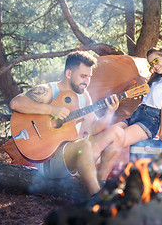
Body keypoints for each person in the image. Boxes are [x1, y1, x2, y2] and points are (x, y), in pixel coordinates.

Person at [9, 51, 122, 196]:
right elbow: (16, 103)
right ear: (68, 73)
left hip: (72, 155)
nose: (87, 81)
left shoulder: (84, 95)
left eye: (89, 77)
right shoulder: (49, 90)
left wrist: (110, 112)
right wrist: (51, 109)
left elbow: (93, 127)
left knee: (116, 133)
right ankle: (97, 198)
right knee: (84, 144)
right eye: (83, 76)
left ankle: (98, 184)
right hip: (48, 160)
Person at [106, 46, 162, 159]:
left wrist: (161, 134)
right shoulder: (156, 78)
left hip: (149, 121)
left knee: (116, 141)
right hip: (136, 115)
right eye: (151, 64)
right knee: (105, 137)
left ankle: (100, 176)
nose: (155, 66)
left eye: (156, 61)